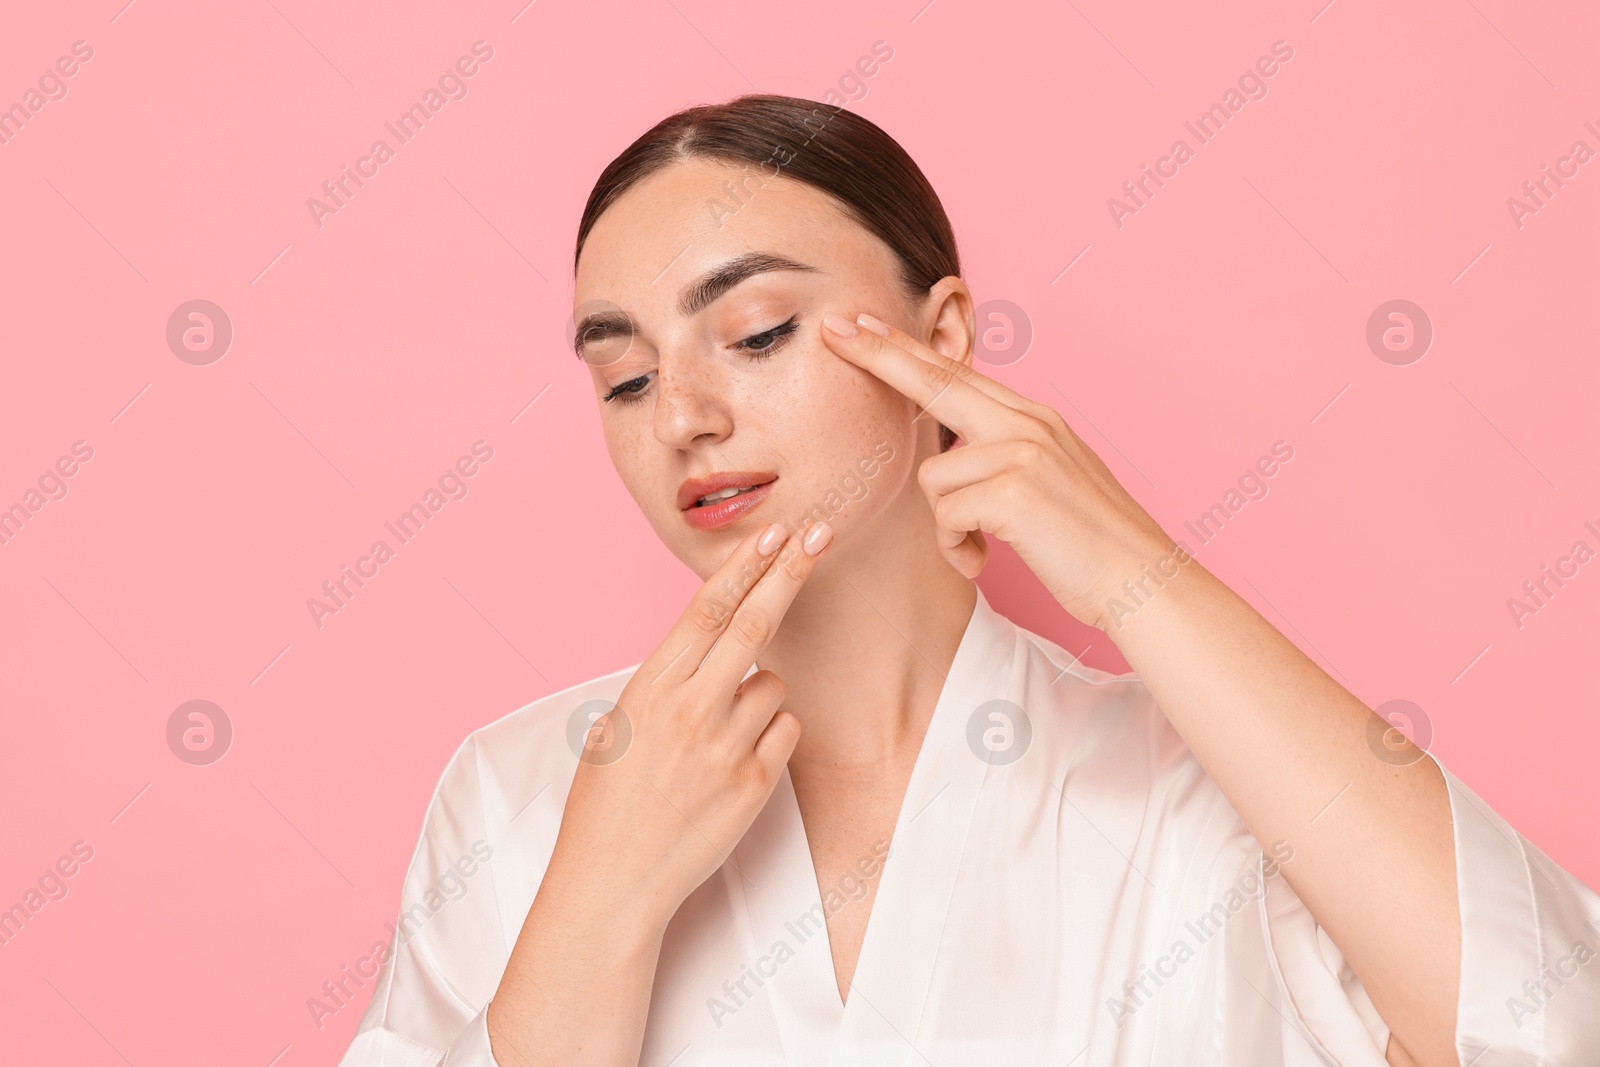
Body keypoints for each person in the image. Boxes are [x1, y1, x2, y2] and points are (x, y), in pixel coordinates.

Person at [338, 95, 1600, 1067]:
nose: (682, 415)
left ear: (940, 337)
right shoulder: (517, 792)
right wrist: (598, 899)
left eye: (759, 331)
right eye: (622, 377)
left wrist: (1128, 566)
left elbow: (1546, 1025)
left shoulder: (1197, 781)